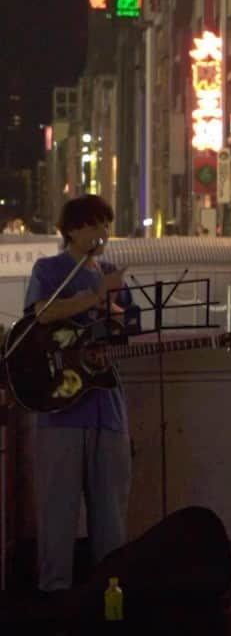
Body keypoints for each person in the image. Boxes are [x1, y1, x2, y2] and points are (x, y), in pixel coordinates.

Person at [24, 195, 132, 594]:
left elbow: (128, 326)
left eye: (106, 224)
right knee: (58, 511)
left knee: (111, 512)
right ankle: (55, 594)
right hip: (61, 408)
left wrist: (116, 306)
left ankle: (109, 596)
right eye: (93, 224)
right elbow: (39, 313)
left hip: (108, 407)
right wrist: (94, 296)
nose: (102, 232)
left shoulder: (110, 274)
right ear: (71, 230)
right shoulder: (50, 269)